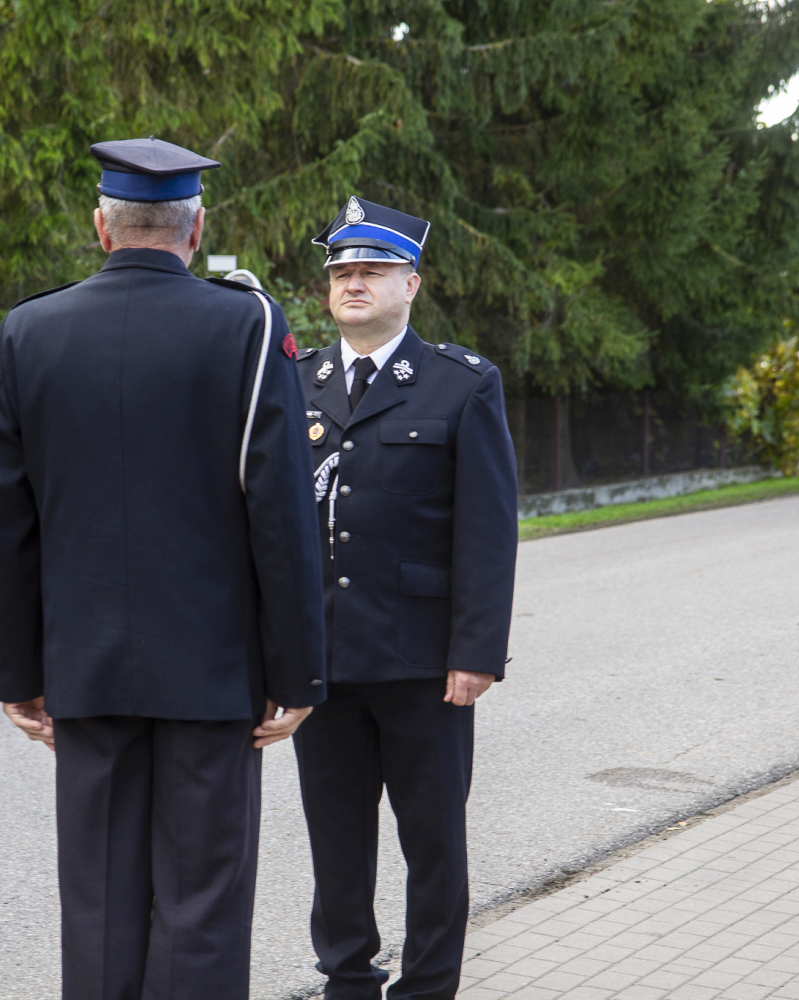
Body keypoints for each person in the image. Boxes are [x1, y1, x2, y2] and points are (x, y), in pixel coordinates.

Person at [0, 137, 326, 1000]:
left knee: (99, 901)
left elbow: (4, 522)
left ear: (102, 227)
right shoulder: (248, 326)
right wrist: (296, 672)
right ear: (196, 228)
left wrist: (17, 674)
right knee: (202, 901)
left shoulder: (28, 331)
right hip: (214, 672)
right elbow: (280, 512)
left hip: (85, 671)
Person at [293, 197, 519, 1000]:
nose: (353, 283)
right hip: (323, 661)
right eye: (342, 272)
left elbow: (488, 531)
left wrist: (476, 652)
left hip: (424, 664)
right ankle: (347, 978)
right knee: (335, 840)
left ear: (411, 284)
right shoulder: (296, 383)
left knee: (433, 841)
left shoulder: (461, 384)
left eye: (372, 270)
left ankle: (427, 987)